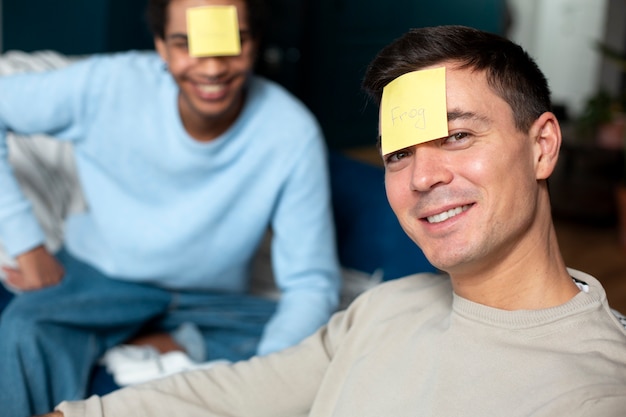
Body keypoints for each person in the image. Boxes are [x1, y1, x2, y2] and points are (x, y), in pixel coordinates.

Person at [38, 24, 626, 417]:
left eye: (457, 136)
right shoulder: (385, 307)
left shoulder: (596, 392)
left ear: (542, 146)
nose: (422, 177)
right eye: (399, 153)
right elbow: (238, 393)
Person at [0, 0, 341, 415]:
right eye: (186, 43)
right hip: (103, 277)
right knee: (23, 330)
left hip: (211, 299)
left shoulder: (291, 131)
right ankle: (147, 338)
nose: (212, 69)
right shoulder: (108, 84)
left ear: (254, 43)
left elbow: (310, 283)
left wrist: (266, 382)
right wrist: (26, 242)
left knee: (333, 343)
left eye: (232, 44)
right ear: (161, 45)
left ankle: (163, 341)